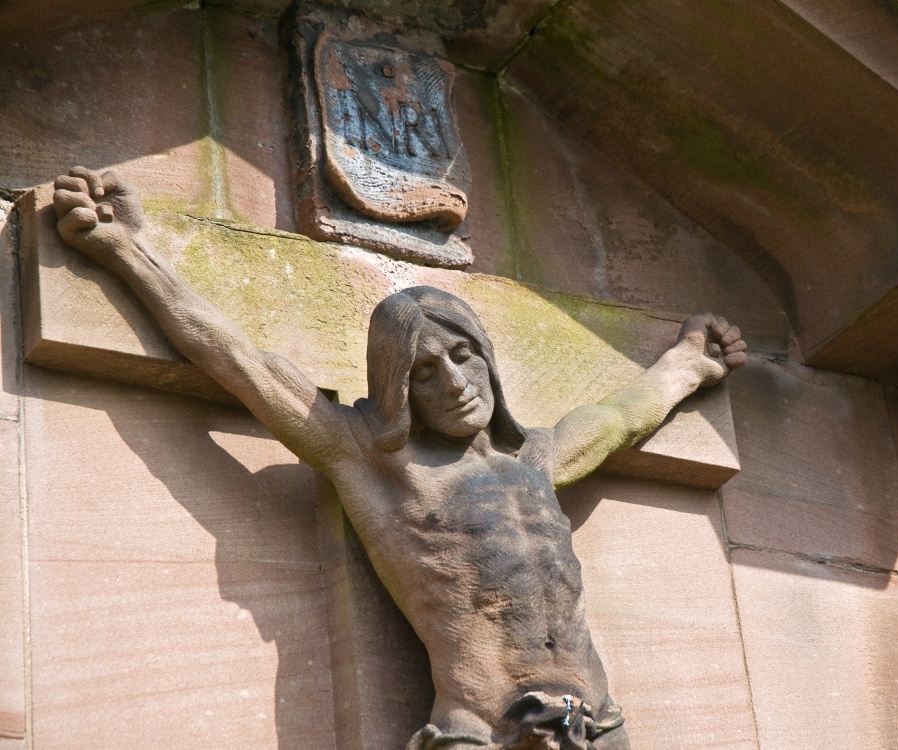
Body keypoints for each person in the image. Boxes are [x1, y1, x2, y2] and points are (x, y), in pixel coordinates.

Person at [53, 167, 747, 750]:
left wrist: (690, 364)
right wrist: (126, 248)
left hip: (595, 727)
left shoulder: (537, 458)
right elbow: (238, 360)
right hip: (482, 731)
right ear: (397, 387)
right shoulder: (372, 460)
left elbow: (623, 417)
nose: (452, 381)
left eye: (462, 354)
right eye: (422, 371)